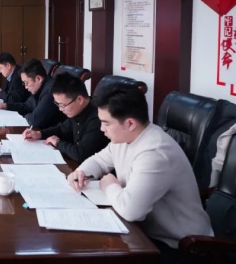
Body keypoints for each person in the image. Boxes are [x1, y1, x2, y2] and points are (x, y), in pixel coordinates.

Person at [67, 87, 213, 264]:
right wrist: (81, 172)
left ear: (130, 123)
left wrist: (110, 185)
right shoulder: (124, 138)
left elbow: (131, 211)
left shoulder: (155, 152)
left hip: (181, 246)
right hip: (145, 232)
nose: (101, 129)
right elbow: (99, 160)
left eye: (106, 123)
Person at [22, 73, 108, 164]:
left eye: (63, 105)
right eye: (58, 104)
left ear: (79, 100)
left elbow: (81, 154)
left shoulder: (98, 118)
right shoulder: (78, 110)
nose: (60, 109)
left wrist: (58, 142)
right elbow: (62, 129)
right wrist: (39, 134)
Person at [0, 58, 64, 129]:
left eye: (26, 83)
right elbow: (26, 106)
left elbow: (35, 121)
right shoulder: (39, 87)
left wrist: (25, 116)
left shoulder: (50, 92)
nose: (25, 87)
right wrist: (5, 106)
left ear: (38, 79)